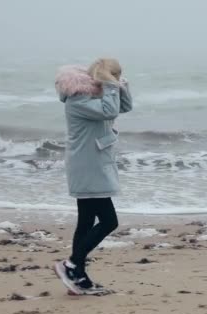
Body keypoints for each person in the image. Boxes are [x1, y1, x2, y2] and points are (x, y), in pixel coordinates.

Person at [53, 58, 133, 295]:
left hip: (94, 164)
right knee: (109, 221)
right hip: (88, 166)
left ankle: (78, 278)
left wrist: (119, 85)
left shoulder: (92, 98)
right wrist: (109, 86)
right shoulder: (78, 101)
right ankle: (71, 265)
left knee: (86, 222)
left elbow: (123, 107)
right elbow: (109, 110)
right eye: (113, 77)